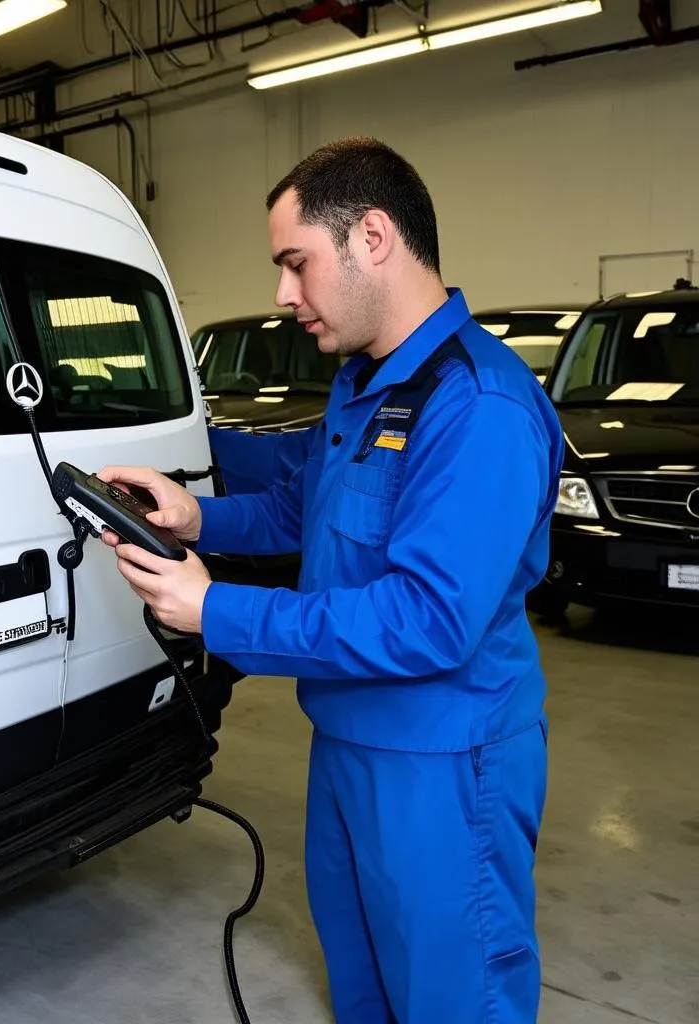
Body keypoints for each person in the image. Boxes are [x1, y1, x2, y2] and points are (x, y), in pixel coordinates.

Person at [98, 137, 565, 1024]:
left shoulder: (479, 407)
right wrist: (194, 518)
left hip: (444, 762)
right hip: (348, 739)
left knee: (452, 1000)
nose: (283, 294)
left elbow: (430, 621)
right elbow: (293, 507)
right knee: (362, 988)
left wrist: (213, 610)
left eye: (295, 263)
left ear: (374, 237)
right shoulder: (364, 384)